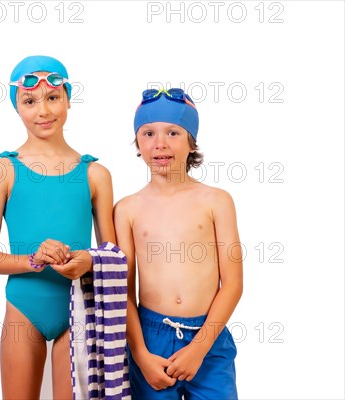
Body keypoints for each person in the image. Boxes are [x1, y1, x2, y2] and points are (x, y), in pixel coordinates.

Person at [0, 55, 116, 399]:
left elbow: (112, 257)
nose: (43, 111)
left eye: (52, 98)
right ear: (17, 108)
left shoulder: (96, 174)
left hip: (79, 308)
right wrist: (33, 260)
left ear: (68, 98)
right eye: (30, 101)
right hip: (24, 308)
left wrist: (87, 260)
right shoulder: (2, 170)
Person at [114, 88, 243, 399]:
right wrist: (141, 356)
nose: (160, 143)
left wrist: (198, 350)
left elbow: (233, 284)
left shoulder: (216, 201)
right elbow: (124, 291)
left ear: (191, 141)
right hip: (150, 339)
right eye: (148, 133)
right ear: (137, 143)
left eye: (173, 132)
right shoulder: (127, 209)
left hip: (208, 337)